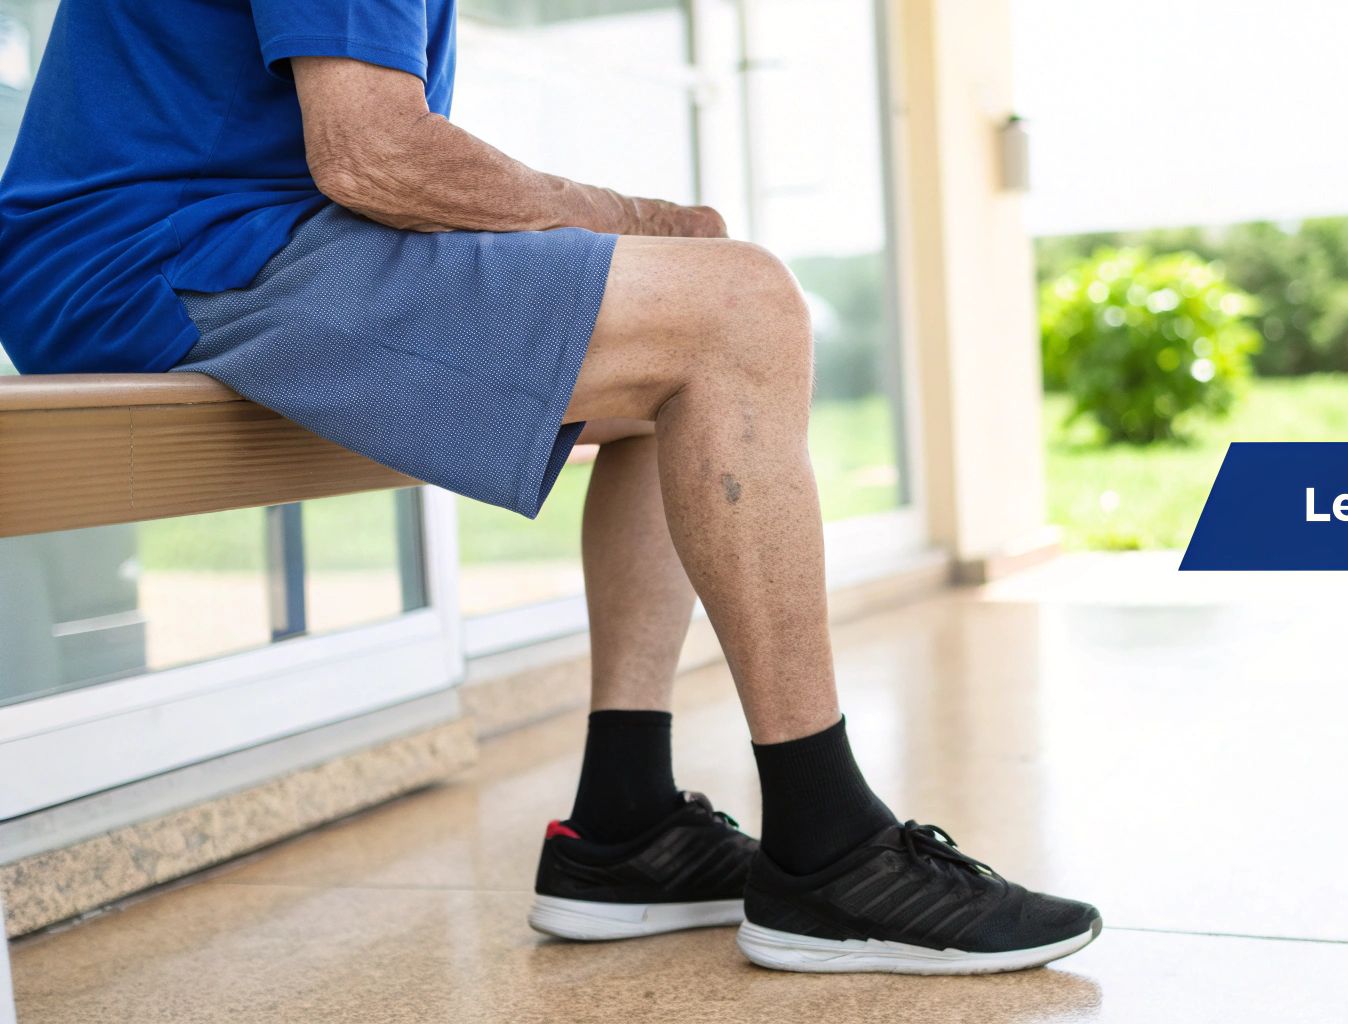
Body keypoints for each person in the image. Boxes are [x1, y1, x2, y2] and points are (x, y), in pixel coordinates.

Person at [0, 0, 1099, 975]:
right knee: (739, 309)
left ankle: (626, 825)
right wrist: (634, 218)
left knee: (685, 357)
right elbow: (375, 155)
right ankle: (832, 850)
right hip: (160, 257)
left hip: (210, 241)